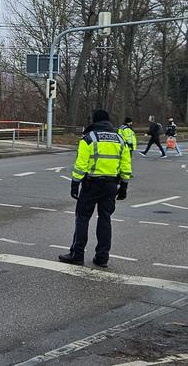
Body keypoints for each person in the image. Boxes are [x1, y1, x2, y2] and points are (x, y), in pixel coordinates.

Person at [59, 109, 132, 268]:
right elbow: (126, 165)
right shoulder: (120, 139)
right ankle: (102, 257)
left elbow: (81, 164)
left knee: (82, 218)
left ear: (94, 121)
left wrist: (75, 183)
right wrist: (124, 185)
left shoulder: (89, 138)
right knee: (105, 219)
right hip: (111, 185)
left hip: (91, 184)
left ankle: (77, 255)